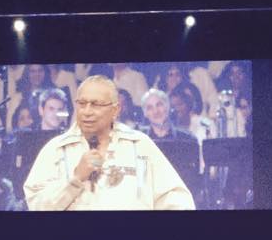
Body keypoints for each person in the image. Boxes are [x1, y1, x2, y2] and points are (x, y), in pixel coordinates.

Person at [23, 75, 195, 211]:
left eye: (96, 104)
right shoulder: (55, 149)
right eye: (82, 104)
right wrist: (75, 180)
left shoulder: (140, 144)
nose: (87, 111)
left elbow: (177, 199)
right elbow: (36, 205)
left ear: (115, 110)